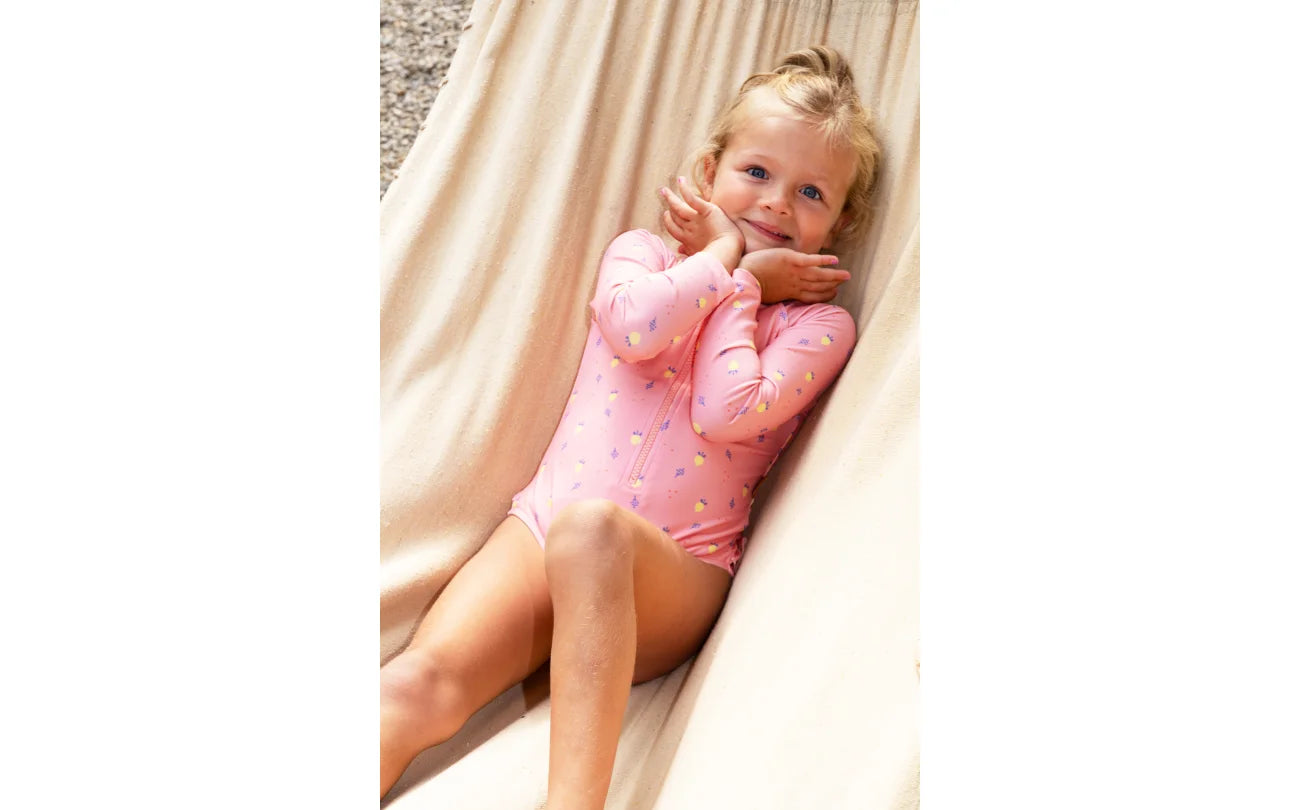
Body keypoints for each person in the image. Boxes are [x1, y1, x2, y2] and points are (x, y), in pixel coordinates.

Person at [380, 45, 881, 806]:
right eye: (756, 172)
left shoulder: (817, 328)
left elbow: (726, 408)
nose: (778, 203)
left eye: (811, 192)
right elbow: (637, 329)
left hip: (670, 575)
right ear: (708, 172)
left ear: (840, 223)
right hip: (541, 532)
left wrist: (742, 288)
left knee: (594, 530)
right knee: (413, 687)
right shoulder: (642, 256)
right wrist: (726, 261)